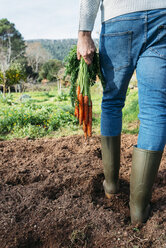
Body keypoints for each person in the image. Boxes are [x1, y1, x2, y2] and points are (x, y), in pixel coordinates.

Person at [77, 0, 166, 224]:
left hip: (120, 18)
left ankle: (112, 185)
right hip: (162, 17)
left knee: (112, 101)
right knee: (156, 110)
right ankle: (138, 210)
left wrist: (84, 33)